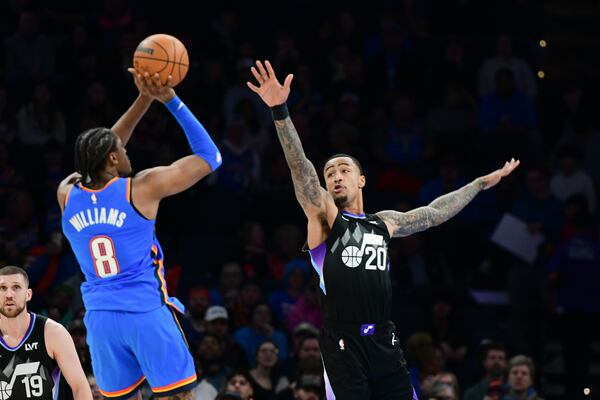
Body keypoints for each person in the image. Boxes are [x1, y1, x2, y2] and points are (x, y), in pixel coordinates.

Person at [247, 59, 520, 399]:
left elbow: (434, 212)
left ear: (361, 180)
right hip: (342, 341)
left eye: (343, 169)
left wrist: (479, 183)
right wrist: (280, 111)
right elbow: (301, 169)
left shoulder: (385, 221)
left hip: (383, 337)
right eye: (329, 172)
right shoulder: (325, 217)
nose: (334, 176)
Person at [57, 70, 222, 399]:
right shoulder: (141, 189)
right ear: (114, 158)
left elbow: (99, 154)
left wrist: (143, 98)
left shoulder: (66, 193)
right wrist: (169, 100)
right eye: (122, 149)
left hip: (101, 320)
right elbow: (210, 157)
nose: (128, 150)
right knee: (178, 396)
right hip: (145, 312)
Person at [0, 266, 92, 399]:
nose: (9, 294)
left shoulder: (52, 333)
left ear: (28, 294)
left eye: (16, 287)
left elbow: (80, 387)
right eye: (2, 288)